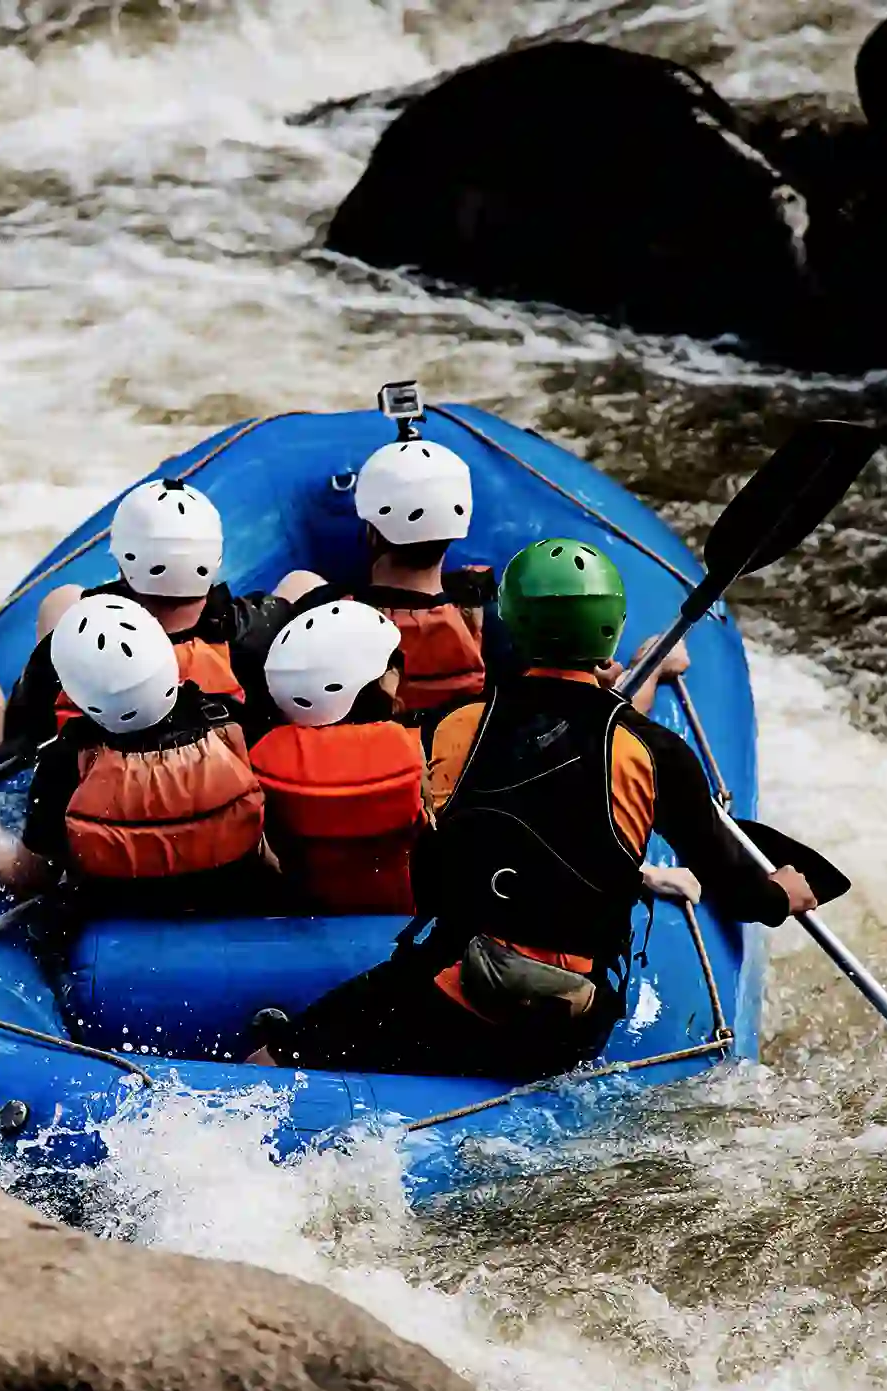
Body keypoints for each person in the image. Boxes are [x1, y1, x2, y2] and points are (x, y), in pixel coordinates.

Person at [251, 538, 819, 1080]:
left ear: (512, 627)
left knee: (269, 1059)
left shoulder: (457, 725)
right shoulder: (653, 752)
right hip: (562, 1030)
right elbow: (737, 890)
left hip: (447, 999)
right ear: (611, 633)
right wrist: (781, 894)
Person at [0, 478, 289, 760]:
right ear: (214, 558)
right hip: (224, 772)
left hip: (105, 772)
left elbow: (27, 737)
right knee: (300, 582)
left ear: (122, 562)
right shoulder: (259, 626)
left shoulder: (78, 637)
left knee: (60, 602)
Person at [0, 594, 274, 913]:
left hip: (116, 922)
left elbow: (30, 877)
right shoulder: (230, 722)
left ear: (77, 695)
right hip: (236, 904)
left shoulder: (65, 761)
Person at [284, 437, 494, 716]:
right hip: (453, 740)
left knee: (299, 581)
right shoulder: (481, 611)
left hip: (373, 741)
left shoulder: (326, 615)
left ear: (371, 531)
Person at [249, 601, 424, 914]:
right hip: (397, 912)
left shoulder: (263, 757)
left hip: (298, 912)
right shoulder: (408, 750)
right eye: (391, 666)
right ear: (363, 686)